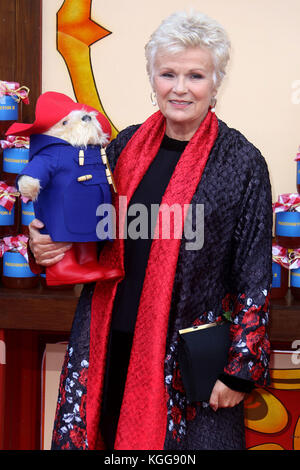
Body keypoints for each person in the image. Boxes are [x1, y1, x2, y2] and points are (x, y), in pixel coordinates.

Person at [28, 11, 272, 450]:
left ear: (215, 83)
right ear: (152, 78)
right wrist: (45, 244)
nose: (180, 88)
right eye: (168, 74)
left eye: (195, 75)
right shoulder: (120, 148)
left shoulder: (242, 163)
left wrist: (239, 369)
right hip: (107, 345)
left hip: (187, 365)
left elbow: (253, 275)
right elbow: (85, 229)